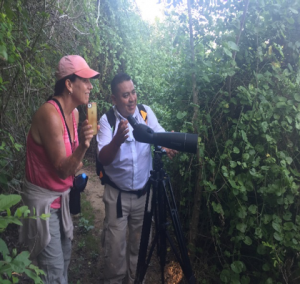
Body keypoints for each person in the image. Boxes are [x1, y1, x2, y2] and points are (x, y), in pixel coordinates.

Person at [19, 55, 99, 284]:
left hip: (61, 200)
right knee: (53, 274)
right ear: (69, 84)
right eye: (85, 80)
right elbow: (64, 170)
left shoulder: (73, 115)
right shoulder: (49, 114)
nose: (90, 86)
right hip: (44, 205)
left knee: (62, 263)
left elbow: (72, 164)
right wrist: (83, 146)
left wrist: (78, 154)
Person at [96, 73, 176, 284]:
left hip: (143, 195)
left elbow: (157, 134)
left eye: (133, 92)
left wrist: (167, 143)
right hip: (118, 196)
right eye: (125, 95)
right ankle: (114, 280)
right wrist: (116, 141)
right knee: (115, 248)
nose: (131, 99)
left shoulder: (145, 112)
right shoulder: (107, 121)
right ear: (114, 99)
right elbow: (103, 158)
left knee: (140, 246)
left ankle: (134, 280)